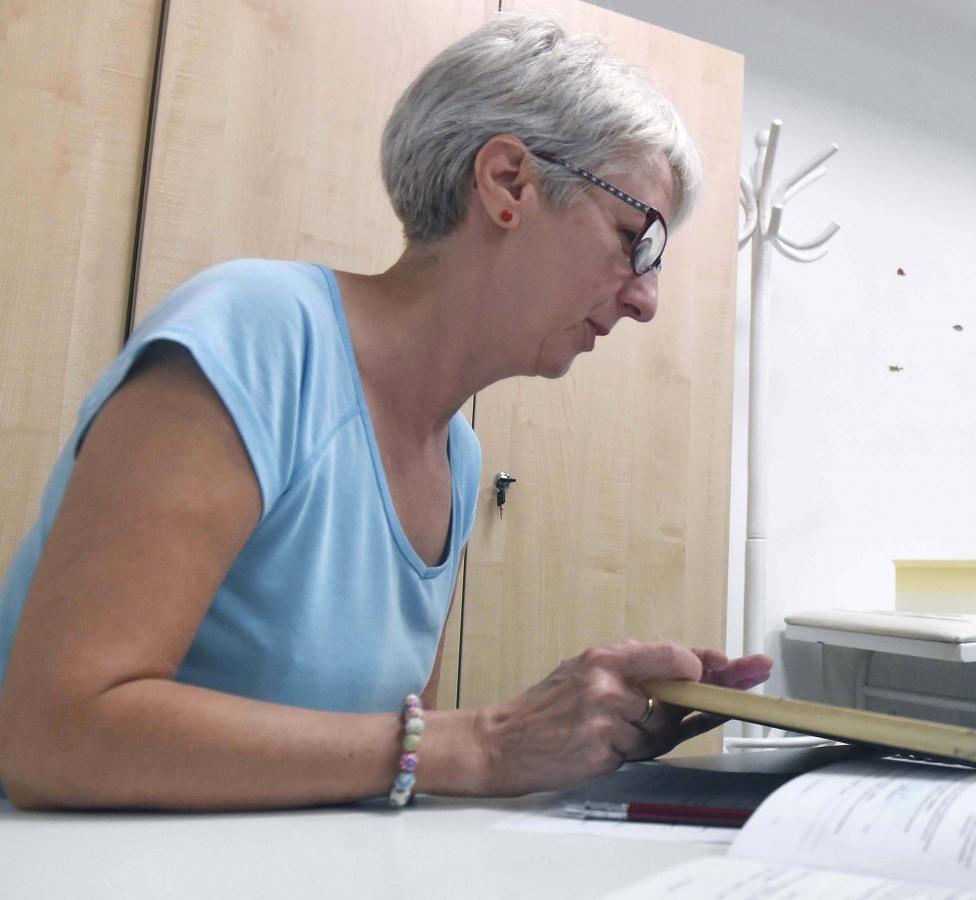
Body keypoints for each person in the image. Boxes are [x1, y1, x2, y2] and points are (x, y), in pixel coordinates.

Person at [0, 13, 770, 811]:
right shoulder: (259, 333)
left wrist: (579, 732)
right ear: (508, 183)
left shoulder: (457, 458)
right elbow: (57, 732)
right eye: (634, 238)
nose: (647, 301)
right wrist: (485, 741)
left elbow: (387, 767)